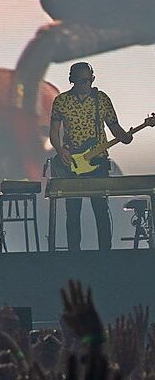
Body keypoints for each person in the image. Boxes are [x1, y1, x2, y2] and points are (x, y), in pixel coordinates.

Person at [50, 61, 132, 251]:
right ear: (72, 80)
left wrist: (126, 137)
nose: (84, 85)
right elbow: (54, 132)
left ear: (93, 79)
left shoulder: (101, 99)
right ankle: (74, 255)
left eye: (88, 81)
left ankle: (105, 255)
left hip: (98, 161)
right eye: (80, 81)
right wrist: (60, 150)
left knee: (101, 209)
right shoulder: (61, 101)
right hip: (72, 162)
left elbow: (115, 128)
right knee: (73, 211)